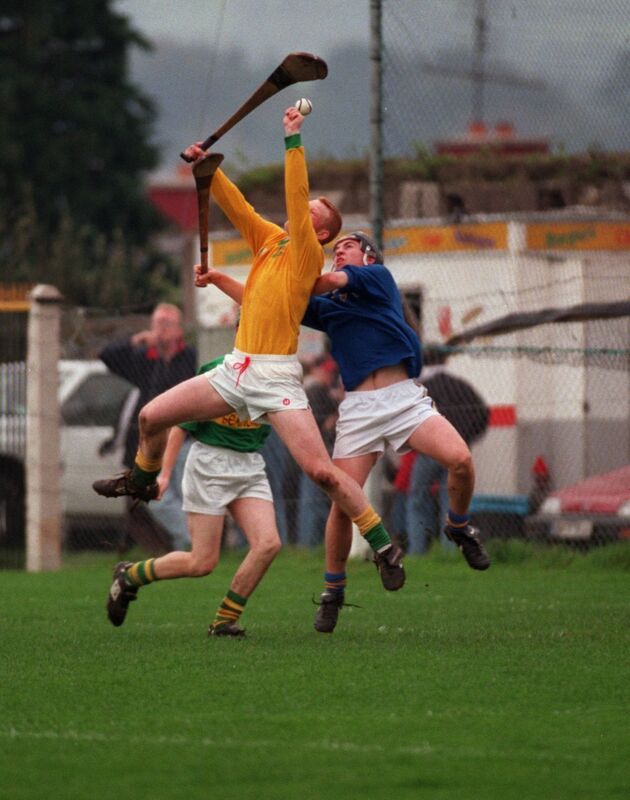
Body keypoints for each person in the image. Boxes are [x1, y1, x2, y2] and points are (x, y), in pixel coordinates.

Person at [94, 106, 405, 628]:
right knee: (151, 417)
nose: (302, 213)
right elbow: (236, 206)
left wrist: (292, 139)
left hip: (275, 376)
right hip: (236, 368)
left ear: (320, 233)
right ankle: (143, 481)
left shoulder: (305, 253)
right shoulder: (269, 242)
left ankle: (383, 547)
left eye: (314, 214)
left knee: (321, 470)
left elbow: (294, 194)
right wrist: (208, 171)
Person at [299, 231, 491, 633]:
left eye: (346, 246)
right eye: (336, 249)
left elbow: (319, 283)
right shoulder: (331, 306)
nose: (339, 251)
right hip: (357, 409)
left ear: (369, 255)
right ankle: (333, 592)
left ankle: (457, 525)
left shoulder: (376, 277)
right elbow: (279, 301)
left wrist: (291, 272)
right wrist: (220, 281)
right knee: (342, 503)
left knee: (460, 461)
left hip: (402, 399)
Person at [106, 355, 281, 637]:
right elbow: (180, 423)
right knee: (202, 562)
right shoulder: (217, 370)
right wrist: (163, 474)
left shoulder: (279, 374)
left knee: (268, 544)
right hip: (209, 464)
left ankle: (224, 621)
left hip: (249, 464)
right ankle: (129, 576)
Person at [99, 303, 196, 552]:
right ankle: (192, 540)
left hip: (184, 439)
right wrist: (137, 339)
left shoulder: (191, 358)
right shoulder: (145, 359)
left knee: (187, 495)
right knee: (153, 495)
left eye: (166, 324)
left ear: (179, 330)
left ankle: (186, 548)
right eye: (156, 324)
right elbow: (107, 356)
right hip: (153, 442)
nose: (159, 330)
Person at [406, 345, 489, 555]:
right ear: (445, 361)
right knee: (451, 502)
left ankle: (417, 550)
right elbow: (483, 413)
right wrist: (466, 438)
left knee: (418, 500)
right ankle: (450, 552)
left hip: (428, 454)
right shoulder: (460, 386)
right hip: (455, 454)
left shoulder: (419, 388)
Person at [296, 353, 342, 547]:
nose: (329, 375)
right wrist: (333, 418)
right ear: (315, 369)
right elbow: (322, 424)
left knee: (314, 498)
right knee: (314, 499)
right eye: (326, 371)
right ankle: (310, 543)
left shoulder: (315, 389)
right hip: (316, 451)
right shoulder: (315, 390)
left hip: (309, 450)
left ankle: (310, 543)